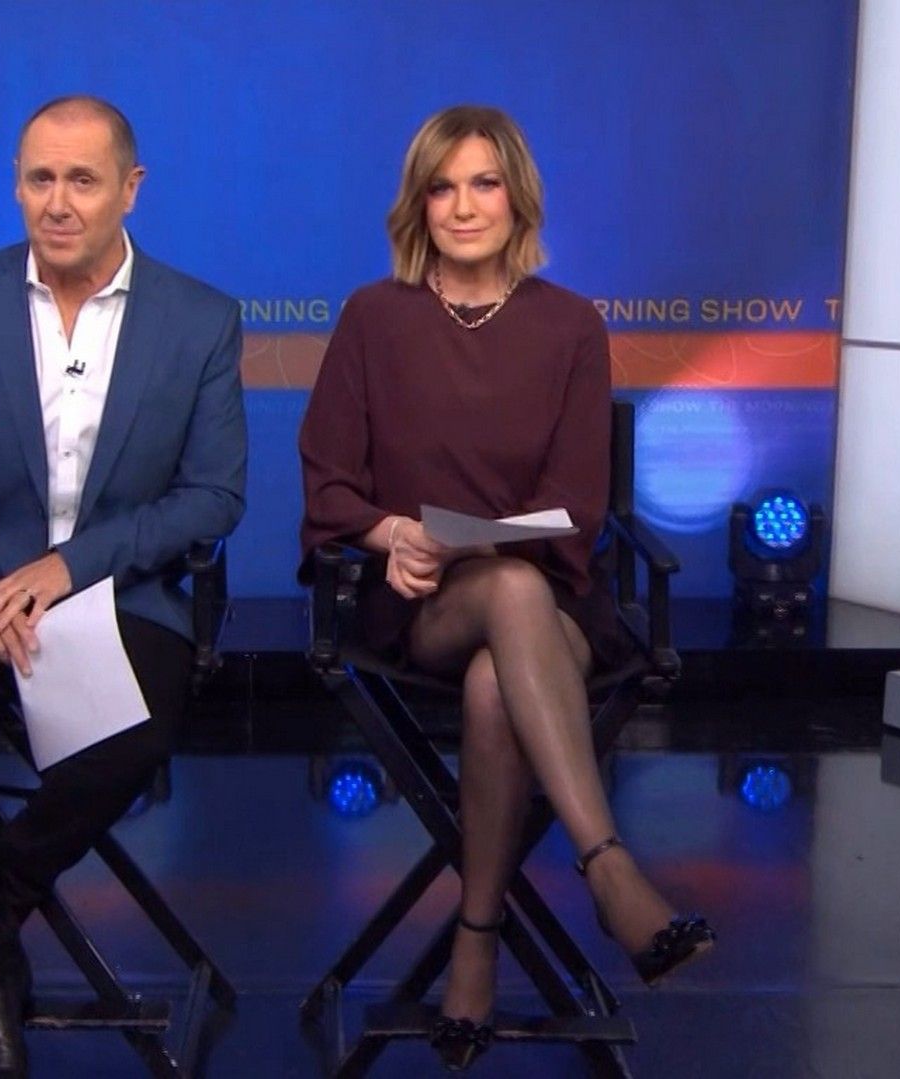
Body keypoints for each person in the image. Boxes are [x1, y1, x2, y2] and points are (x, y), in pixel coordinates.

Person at [298, 104, 714, 1072]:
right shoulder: (374, 317)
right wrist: (393, 532)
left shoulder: (569, 325)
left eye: (483, 183)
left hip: (555, 604)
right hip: (421, 600)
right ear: (418, 203)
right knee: (505, 599)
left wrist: (476, 541)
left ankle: (474, 942)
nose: (463, 206)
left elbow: (575, 507)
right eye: (442, 187)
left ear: (516, 196)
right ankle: (609, 866)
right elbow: (327, 483)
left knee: (506, 653)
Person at [0, 95, 246, 1078]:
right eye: (40, 178)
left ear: (131, 188)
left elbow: (213, 495)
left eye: (83, 179)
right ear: (16, 184)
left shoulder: (201, 319)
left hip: (118, 593)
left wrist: (70, 568)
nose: (59, 201)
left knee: (131, 733)